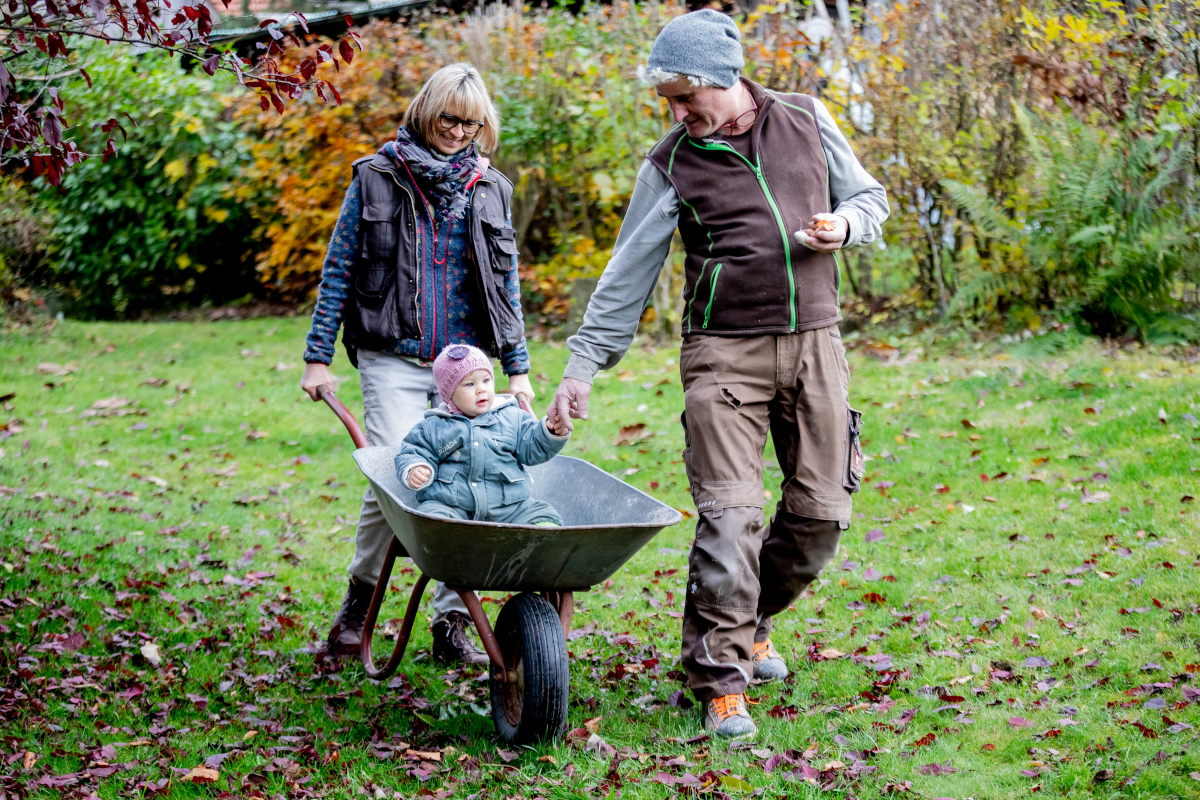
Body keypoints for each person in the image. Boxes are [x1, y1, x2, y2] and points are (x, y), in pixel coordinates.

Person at [547, 10, 889, 738]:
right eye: (667, 101)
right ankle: (720, 682)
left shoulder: (805, 118)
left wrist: (846, 227)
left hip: (816, 344)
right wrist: (583, 366)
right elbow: (627, 273)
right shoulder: (672, 160)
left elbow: (869, 199)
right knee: (732, 516)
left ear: (722, 80)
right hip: (722, 354)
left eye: (682, 96)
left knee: (823, 515)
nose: (675, 113)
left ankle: (752, 619)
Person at [300, 63, 536, 666]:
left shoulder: (491, 188)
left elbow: (506, 286)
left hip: (466, 365)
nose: (458, 131)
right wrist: (317, 358)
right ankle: (359, 605)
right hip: (393, 357)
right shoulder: (377, 178)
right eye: (448, 118)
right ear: (425, 113)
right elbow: (339, 271)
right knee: (396, 478)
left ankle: (452, 624)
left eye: (471, 121)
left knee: (472, 480)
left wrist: (518, 370)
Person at [395, 344, 570, 524]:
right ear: (449, 393)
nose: (481, 389)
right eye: (469, 384)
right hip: (452, 508)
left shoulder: (512, 417)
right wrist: (416, 468)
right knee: (430, 518)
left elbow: (533, 446)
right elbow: (413, 451)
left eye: (486, 380)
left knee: (543, 516)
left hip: (511, 508)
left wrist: (550, 431)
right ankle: (434, 545)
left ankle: (542, 539)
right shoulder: (435, 426)